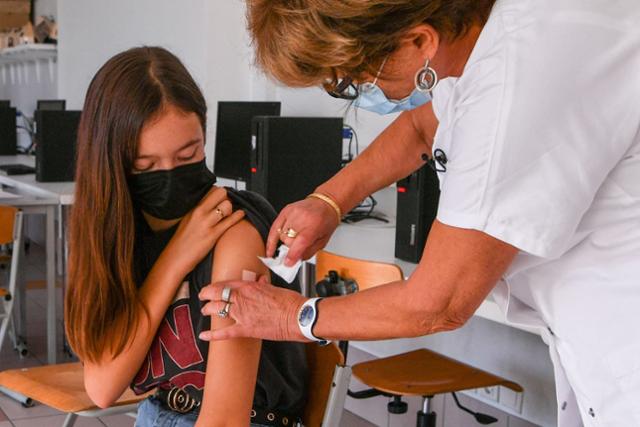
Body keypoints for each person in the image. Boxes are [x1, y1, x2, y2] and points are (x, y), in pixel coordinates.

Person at [197, 1, 640, 426]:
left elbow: (439, 303)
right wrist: (329, 200)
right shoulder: (477, 39)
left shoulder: (518, 83)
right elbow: (420, 127)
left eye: (353, 78)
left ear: (418, 40)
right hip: (591, 337)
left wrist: (291, 317)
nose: (356, 91)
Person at [64, 46, 307, 427]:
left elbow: (226, 419)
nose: (170, 176)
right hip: (155, 414)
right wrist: (176, 258)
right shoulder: (113, 232)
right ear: (112, 167)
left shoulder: (235, 235)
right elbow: (102, 387)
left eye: (188, 155)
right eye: (145, 166)